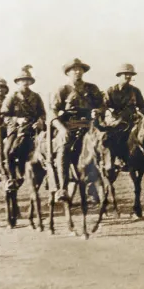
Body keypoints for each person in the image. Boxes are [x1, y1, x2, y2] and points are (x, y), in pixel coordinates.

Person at [50, 58, 105, 201]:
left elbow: (102, 105)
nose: (77, 71)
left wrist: (97, 111)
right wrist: (62, 129)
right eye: (74, 69)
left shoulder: (92, 88)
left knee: (103, 146)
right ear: (68, 73)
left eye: (80, 69)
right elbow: (52, 112)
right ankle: (62, 188)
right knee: (63, 150)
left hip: (89, 125)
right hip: (69, 126)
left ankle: (96, 184)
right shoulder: (62, 90)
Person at [1, 65, 46, 188]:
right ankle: (11, 178)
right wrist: (17, 120)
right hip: (16, 129)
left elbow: (42, 112)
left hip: (33, 127)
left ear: (30, 82)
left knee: (48, 146)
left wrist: (40, 121)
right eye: (22, 80)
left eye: (27, 80)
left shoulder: (36, 96)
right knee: (8, 151)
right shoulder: (12, 97)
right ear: (18, 82)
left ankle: (51, 177)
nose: (25, 82)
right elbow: (4, 115)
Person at [104, 63, 144, 172]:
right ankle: (118, 159)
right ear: (119, 75)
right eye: (125, 74)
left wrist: (139, 113)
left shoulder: (135, 91)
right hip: (117, 122)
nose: (128, 77)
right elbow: (104, 107)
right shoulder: (111, 91)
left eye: (130, 75)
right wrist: (111, 116)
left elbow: (143, 107)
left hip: (133, 120)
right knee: (114, 137)